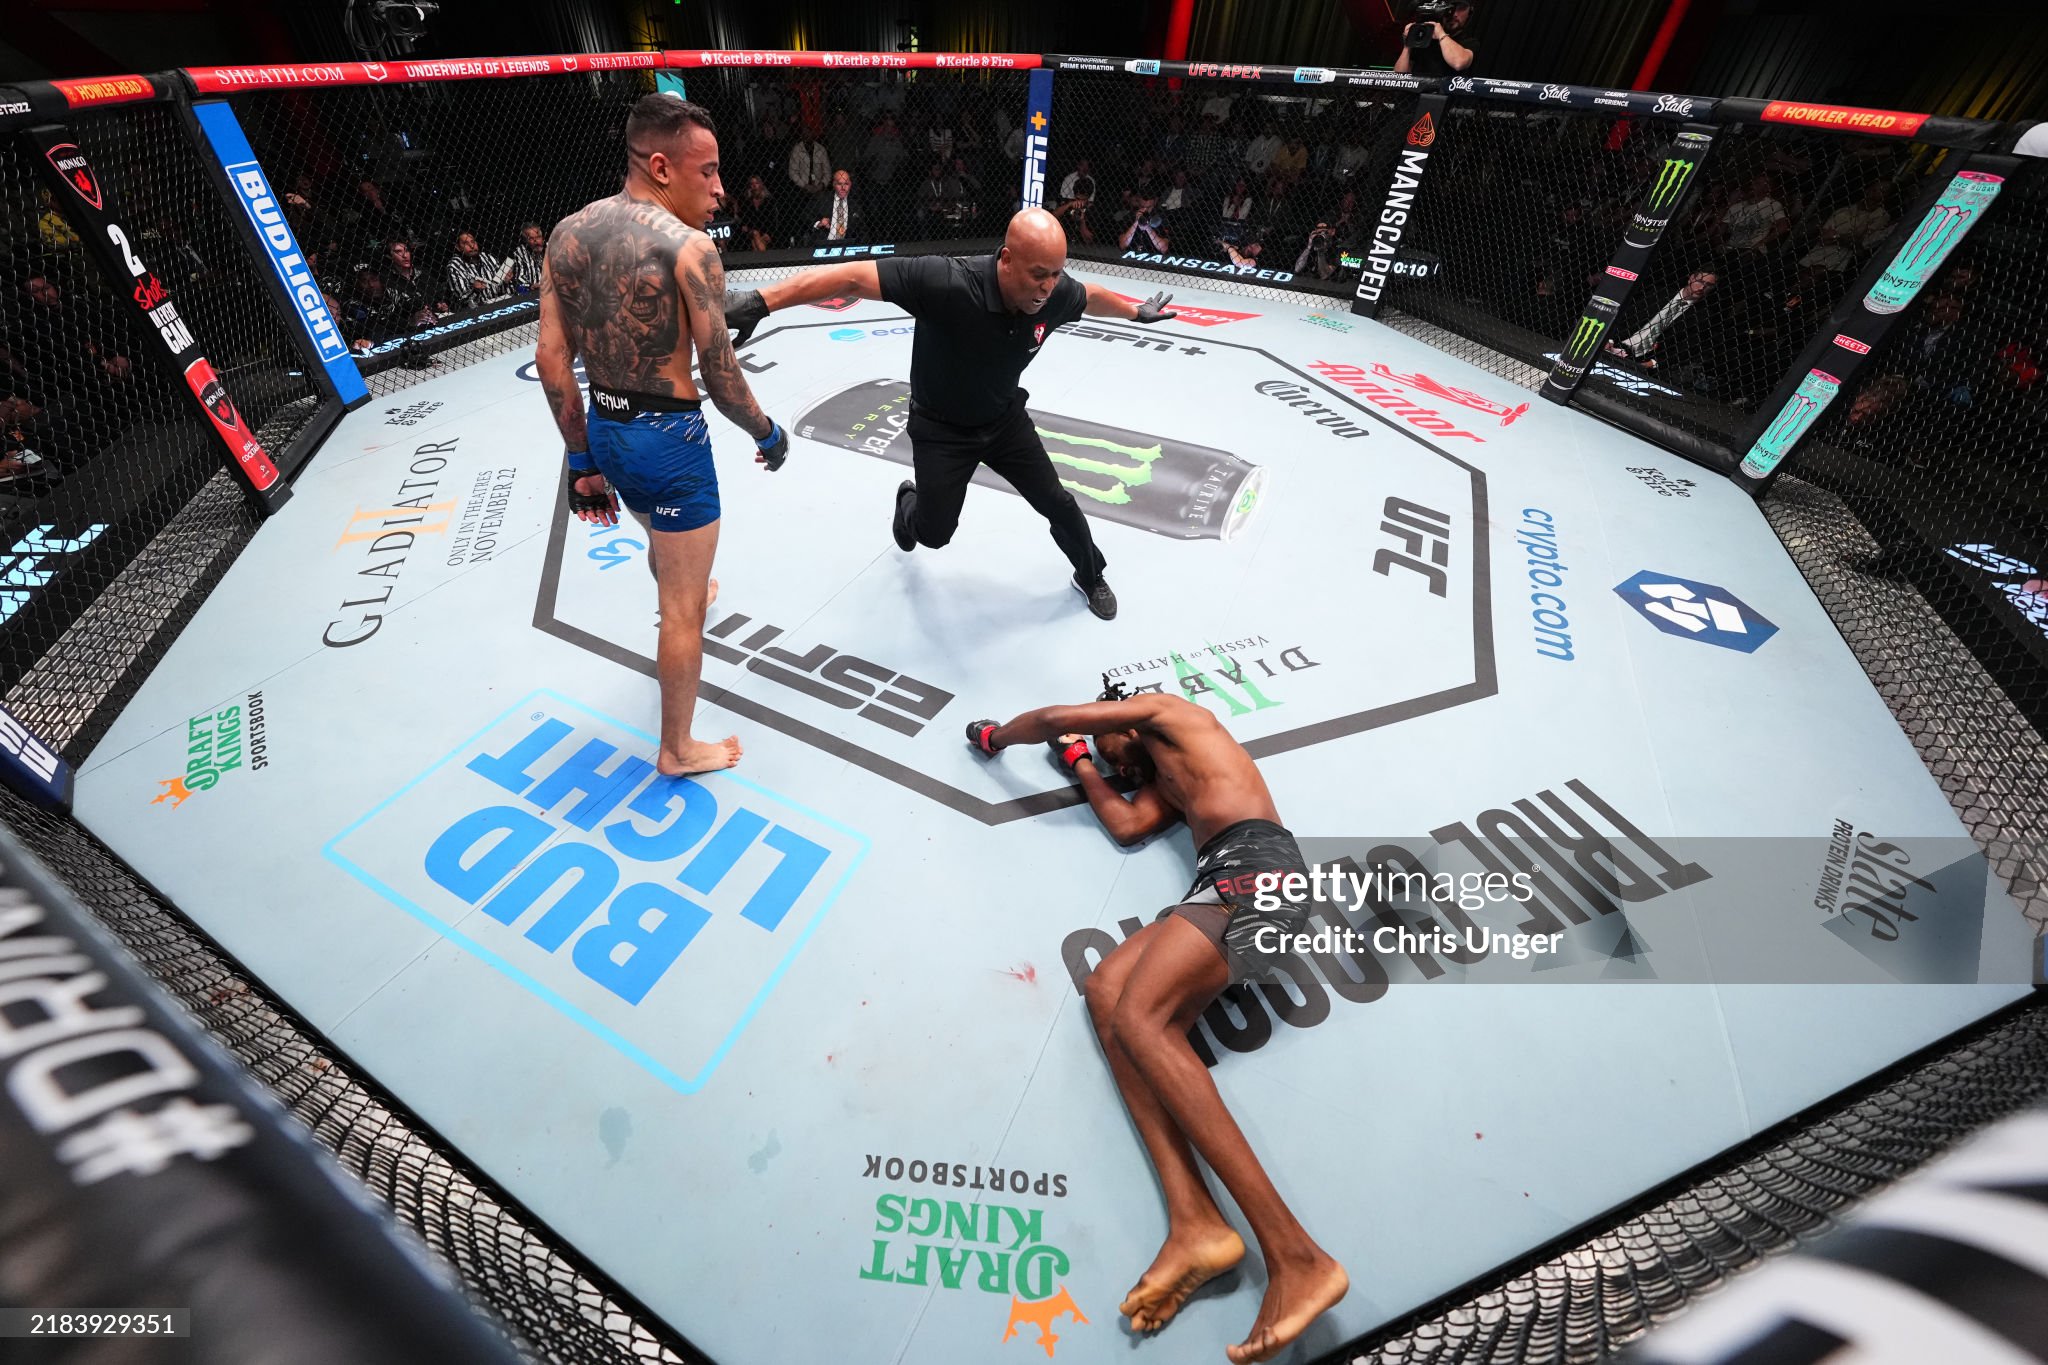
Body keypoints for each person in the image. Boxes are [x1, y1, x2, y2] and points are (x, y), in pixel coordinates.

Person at [962, 688, 1349, 1363]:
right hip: (1221, 883)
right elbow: (1128, 823)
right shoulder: (1165, 777)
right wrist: (1084, 764)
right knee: (1109, 992)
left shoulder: (1168, 711)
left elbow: (1054, 718)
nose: (1117, 766)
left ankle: (1298, 1257)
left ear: (1121, 714)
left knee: (1143, 1020)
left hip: (1258, 874)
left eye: (1111, 749)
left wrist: (999, 737)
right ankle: (1196, 1222)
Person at [723, 209, 1176, 620]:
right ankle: (908, 503)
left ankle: (1090, 574)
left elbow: (1089, 296)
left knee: (1058, 503)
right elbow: (853, 278)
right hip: (941, 429)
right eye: (1038, 275)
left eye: (1056, 275)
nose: (1047, 287)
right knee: (934, 534)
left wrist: (1135, 312)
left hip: (1003, 421)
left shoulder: (1054, 294)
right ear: (1006, 260)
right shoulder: (947, 282)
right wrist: (761, 302)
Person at [534, 93, 790, 775]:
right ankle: (677, 747)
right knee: (683, 613)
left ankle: (683, 581)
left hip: (608, 431)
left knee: (664, 545)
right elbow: (722, 376)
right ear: (660, 166)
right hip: (670, 443)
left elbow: (551, 361)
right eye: (707, 171)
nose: (720, 188)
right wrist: (768, 434)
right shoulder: (689, 248)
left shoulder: (567, 235)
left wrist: (581, 460)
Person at [1393, 2, 1476, 77]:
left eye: (1461, 9)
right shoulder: (1425, 38)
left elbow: (1459, 63)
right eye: (1451, 8)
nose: (1454, 14)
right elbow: (1399, 77)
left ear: (1469, 13)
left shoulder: (1470, 42)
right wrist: (1408, 44)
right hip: (1418, 88)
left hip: (1445, 89)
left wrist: (1441, 34)